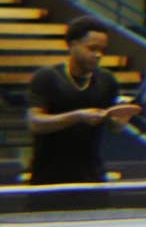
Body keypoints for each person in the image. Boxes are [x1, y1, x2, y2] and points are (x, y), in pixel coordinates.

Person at [26, 15, 124, 184]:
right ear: (72, 45)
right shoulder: (47, 78)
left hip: (92, 178)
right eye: (92, 48)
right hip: (49, 180)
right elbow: (35, 123)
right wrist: (78, 116)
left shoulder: (107, 81)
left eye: (102, 50)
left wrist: (121, 118)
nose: (98, 55)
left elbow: (114, 126)